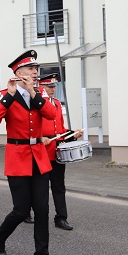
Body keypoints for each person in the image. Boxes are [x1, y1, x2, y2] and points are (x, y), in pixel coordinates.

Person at [0, 50, 58, 255]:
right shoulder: (4, 94)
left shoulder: (39, 93)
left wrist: (33, 92)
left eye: (36, 69)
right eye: (31, 69)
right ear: (18, 72)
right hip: (17, 156)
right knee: (20, 210)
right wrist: (9, 94)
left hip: (38, 157)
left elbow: (51, 115)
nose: (35, 73)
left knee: (42, 209)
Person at [39, 73, 83, 231]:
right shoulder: (37, 103)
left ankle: (61, 218)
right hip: (41, 152)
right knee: (40, 188)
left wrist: (72, 134)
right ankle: (31, 214)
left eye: (54, 86)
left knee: (59, 186)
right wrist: (39, 138)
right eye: (49, 86)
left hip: (56, 153)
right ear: (41, 87)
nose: (52, 89)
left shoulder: (57, 103)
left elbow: (60, 129)